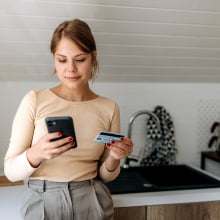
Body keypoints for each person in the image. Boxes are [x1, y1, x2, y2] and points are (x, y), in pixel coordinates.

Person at [4, 19, 133, 220]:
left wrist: (115, 158)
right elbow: (10, 172)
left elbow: (106, 176)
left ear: (93, 58)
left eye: (80, 59)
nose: (70, 69)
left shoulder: (109, 107)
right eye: (62, 60)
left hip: (92, 199)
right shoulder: (34, 100)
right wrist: (36, 153)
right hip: (43, 201)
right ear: (54, 58)